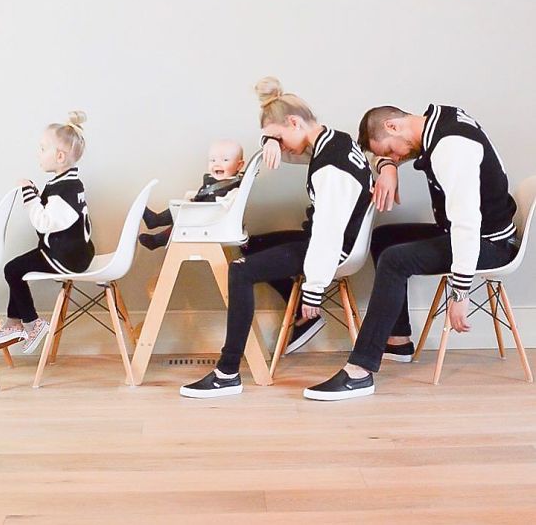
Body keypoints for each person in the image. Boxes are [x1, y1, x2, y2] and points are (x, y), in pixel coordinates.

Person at [304, 104, 518, 400]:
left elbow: (466, 222)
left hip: (488, 244)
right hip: (468, 234)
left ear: (393, 126)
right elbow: (377, 153)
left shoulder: (451, 145)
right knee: (385, 238)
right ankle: (398, 340)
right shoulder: (437, 122)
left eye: (391, 151)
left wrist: (460, 292)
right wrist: (388, 167)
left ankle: (359, 371)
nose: (394, 157)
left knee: (395, 260)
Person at [180, 77, 373, 398]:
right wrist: (269, 139)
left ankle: (227, 373)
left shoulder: (330, 167)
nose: (281, 148)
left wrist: (313, 289)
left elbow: (327, 232)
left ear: (294, 123)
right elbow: (296, 153)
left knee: (240, 271)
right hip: (334, 239)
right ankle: (300, 322)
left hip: (333, 248)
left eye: (280, 138)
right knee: (251, 244)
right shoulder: (335, 140)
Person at [0, 111, 95, 354]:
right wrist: (36, 194)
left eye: (43, 148)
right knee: (17, 268)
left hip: (65, 257)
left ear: (59, 156)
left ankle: (31, 322)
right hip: (75, 252)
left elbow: (44, 223)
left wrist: (29, 196)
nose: (38, 153)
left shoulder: (64, 189)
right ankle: (13, 323)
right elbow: (57, 215)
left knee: (12, 269)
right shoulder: (67, 184)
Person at [139, 139, 245, 250]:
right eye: (212, 160)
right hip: (201, 211)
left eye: (225, 160)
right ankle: (156, 220)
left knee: (182, 222)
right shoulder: (215, 181)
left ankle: (157, 239)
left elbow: (228, 205)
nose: (217, 164)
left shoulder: (233, 188)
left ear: (239, 165)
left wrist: (199, 205)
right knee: (180, 209)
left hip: (210, 217)